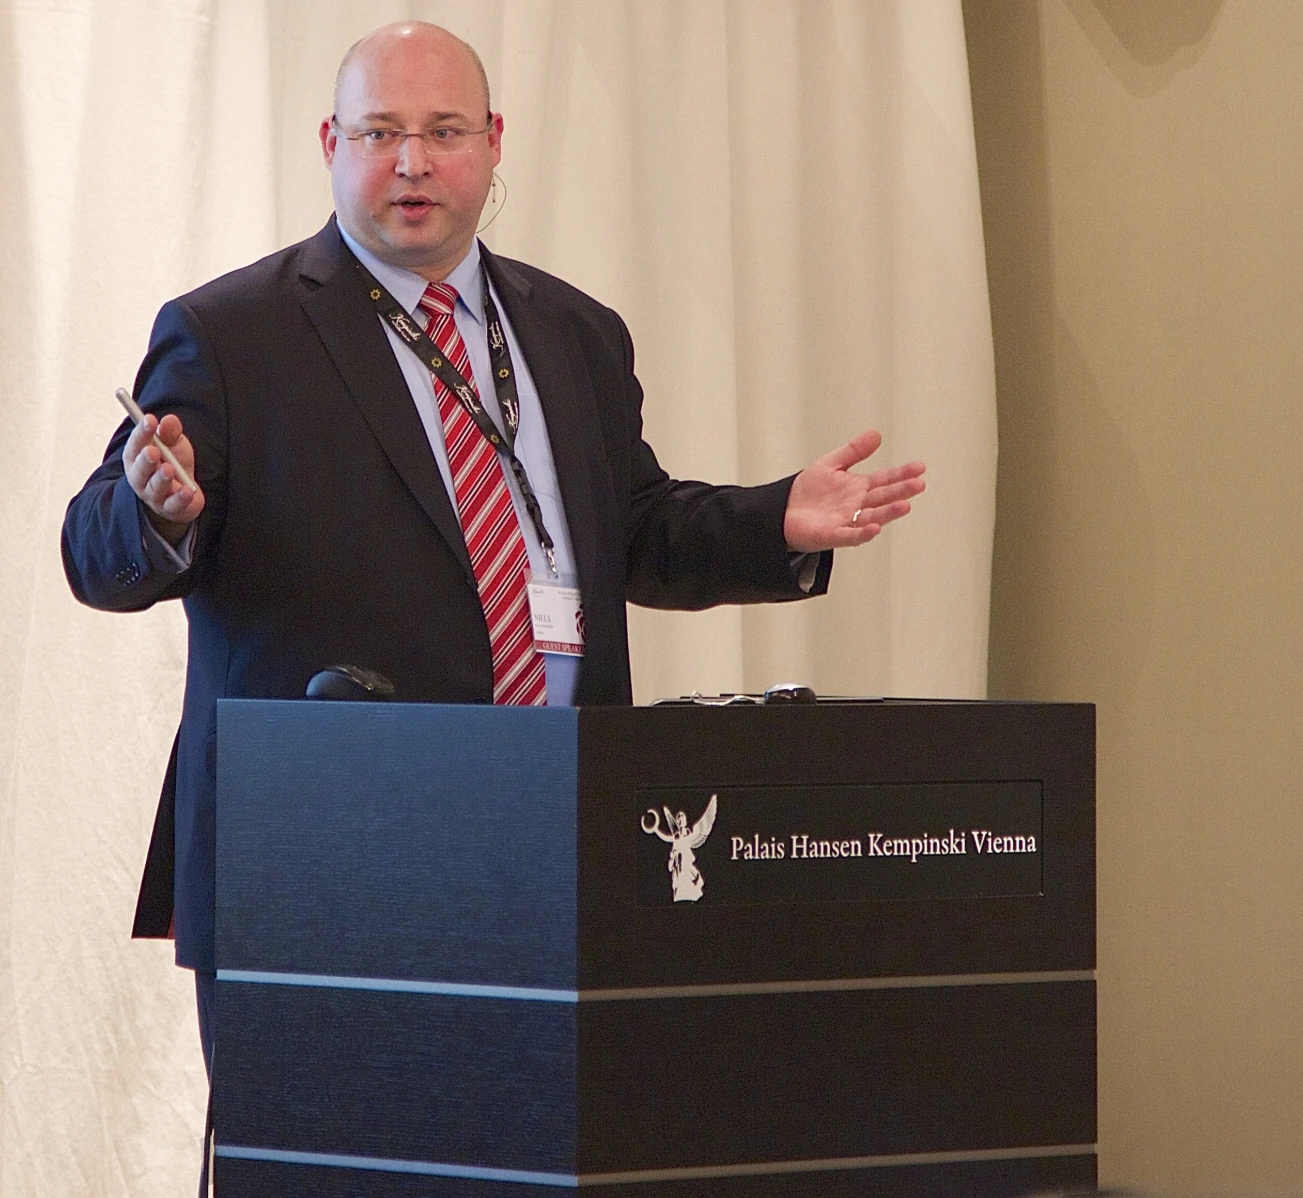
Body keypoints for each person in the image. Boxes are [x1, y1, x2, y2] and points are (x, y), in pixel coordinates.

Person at [61, 21, 927, 1045]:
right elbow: (93, 549)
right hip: (325, 856)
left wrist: (771, 516)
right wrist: (154, 511)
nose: (414, 160)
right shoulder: (230, 334)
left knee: (531, 1187)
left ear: (494, 142)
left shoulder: (575, 333)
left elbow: (633, 530)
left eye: (445, 130)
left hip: (554, 835)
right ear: (329, 144)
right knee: (336, 1195)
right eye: (380, 131)